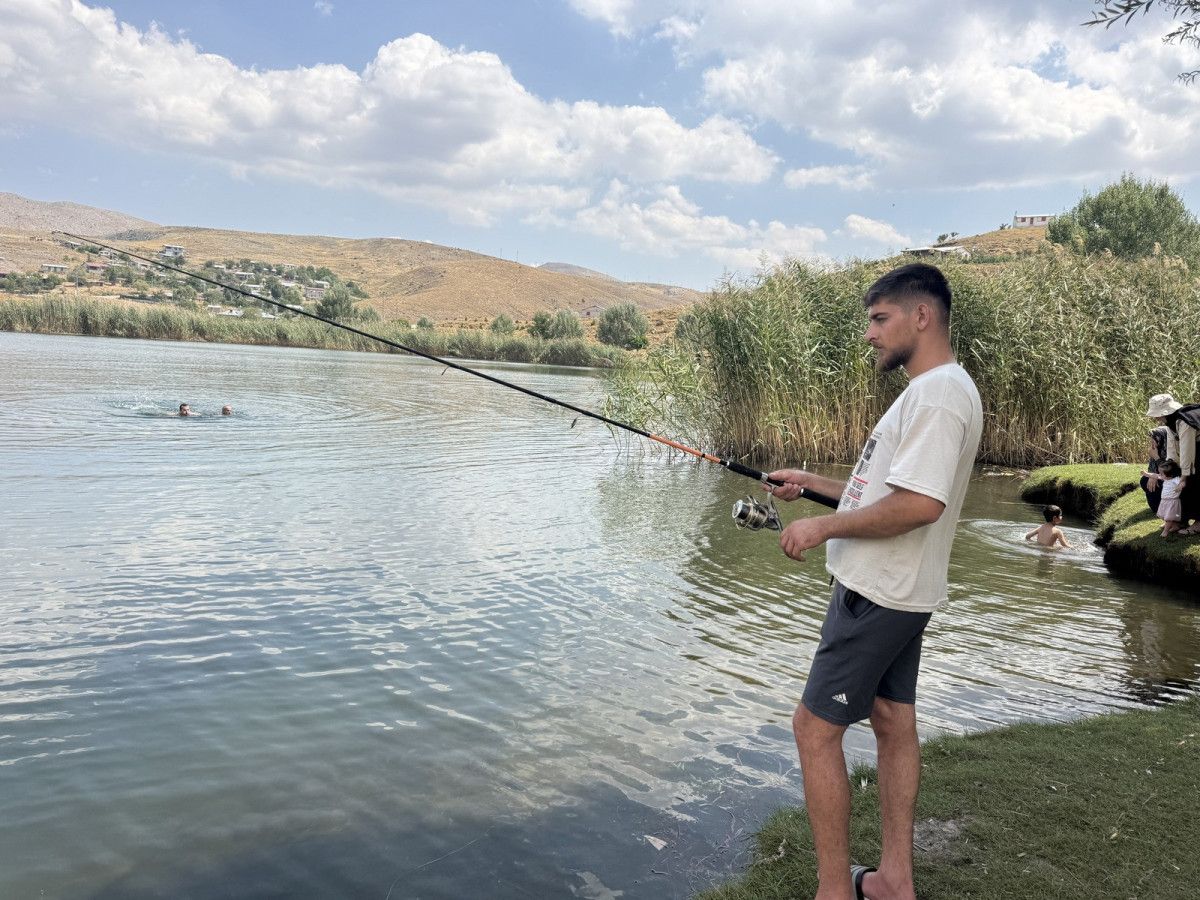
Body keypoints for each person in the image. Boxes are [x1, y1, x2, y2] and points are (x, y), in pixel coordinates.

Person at [765, 263, 982, 900]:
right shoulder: (931, 390)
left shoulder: (939, 394)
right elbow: (885, 491)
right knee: (891, 719)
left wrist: (820, 528)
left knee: (814, 730)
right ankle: (893, 882)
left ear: (922, 316)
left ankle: (833, 891)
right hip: (898, 589)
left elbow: (920, 506)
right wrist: (812, 484)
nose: (869, 333)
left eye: (879, 319)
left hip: (879, 592)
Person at [1145, 394, 1199, 535]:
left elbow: (1187, 452)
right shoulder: (1170, 423)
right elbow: (1172, 451)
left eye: (1157, 414)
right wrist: (1168, 469)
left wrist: (1184, 475)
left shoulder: (1184, 422)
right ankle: (1180, 521)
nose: (1156, 418)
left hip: (1197, 448)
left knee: (1192, 480)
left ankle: (1199, 523)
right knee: (1178, 480)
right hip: (1192, 449)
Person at [1139, 426, 1169, 515]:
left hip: (1171, 481)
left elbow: (1168, 472)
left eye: (1153, 441)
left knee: (1160, 483)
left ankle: (1165, 508)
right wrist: (1152, 475)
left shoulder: (1171, 450)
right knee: (1145, 479)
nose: (1151, 444)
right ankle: (1158, 508)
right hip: (1161, 476)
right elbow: (1151, 469)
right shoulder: (1156, 449)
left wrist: (1156, 457)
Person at [1156, 459, 1184, 537]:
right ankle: (1175, 526)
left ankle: (1166, 531)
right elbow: (1156, 476)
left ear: (1170, 475)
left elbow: (1182, 483)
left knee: (1169, 517)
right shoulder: (1165, 478)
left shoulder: (1175, 479)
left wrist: (1180, 486)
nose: (1160, 474)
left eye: (1161, 473)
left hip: (1172, 502)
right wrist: (1146, 474)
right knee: (1164, 515)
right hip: (1164, 501)